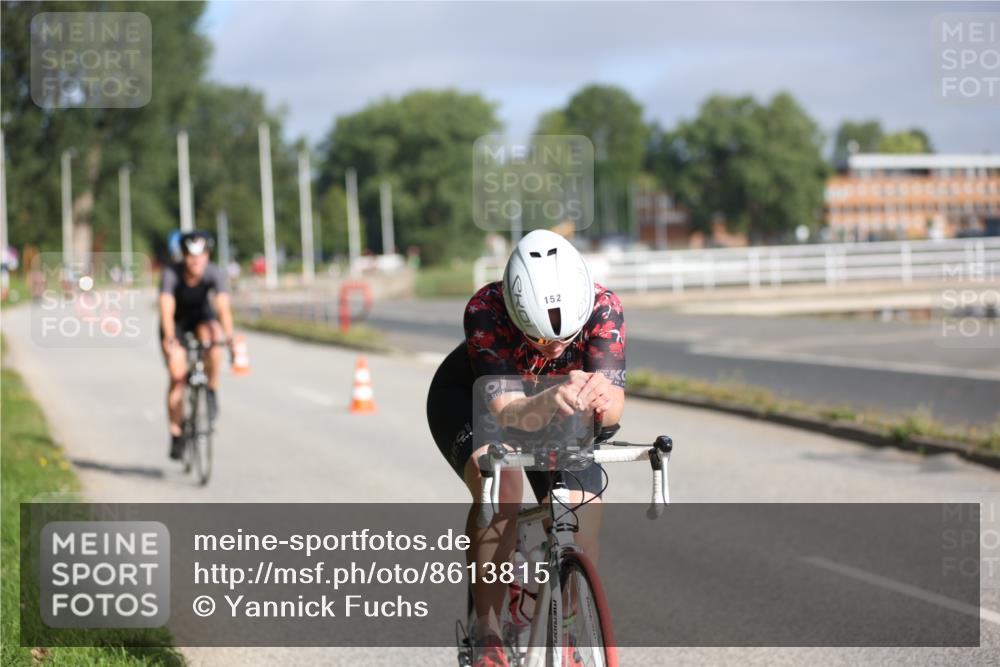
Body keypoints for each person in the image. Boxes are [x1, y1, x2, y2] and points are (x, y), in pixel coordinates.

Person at [426, 229, 626, 666]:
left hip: (557, 406)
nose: (555, 349)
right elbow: (508, 412)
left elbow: (613, 412)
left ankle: (567, 629)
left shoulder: (604, 308)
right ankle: (488, 633)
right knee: (504, 487)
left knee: (581, 508)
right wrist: (550, 398)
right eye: (540, 340)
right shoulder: (485, 310)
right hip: (473, 402)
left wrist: (601, 397)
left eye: (564, 339)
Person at [159, 230, 235, 460]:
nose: (196, 263)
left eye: (201, 257)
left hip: (201, 319)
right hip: (176, 324)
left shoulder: (213, 273)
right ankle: (176, 433)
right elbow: (166, 307)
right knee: (177, 374)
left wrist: (229, 334)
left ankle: (211, 390)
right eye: (191, 258)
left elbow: (222, 307)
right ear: (183, 257)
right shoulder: (171, 274)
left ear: (207, 256)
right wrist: (170, 336)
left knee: (214, 337)